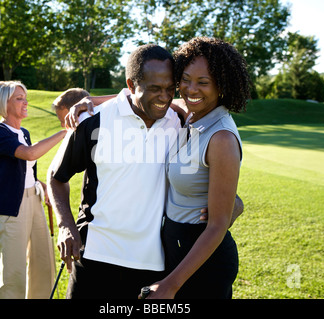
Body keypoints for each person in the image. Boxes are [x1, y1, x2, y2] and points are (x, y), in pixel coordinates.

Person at [47, 44, 244, 299]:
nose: (164, 97)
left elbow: (213, 175)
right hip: (94, 255)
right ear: (131, 85)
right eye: (154, 89)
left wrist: (235, 203)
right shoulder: (93, 121)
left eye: (169, 89)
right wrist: (65, 225)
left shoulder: (181, 121)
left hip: (154, 265)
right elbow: (56, 176)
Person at [143, 37, 251, 299]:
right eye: (186, 79)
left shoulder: (221, 137)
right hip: (175, 249)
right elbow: (141, 94)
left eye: (203, 82)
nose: (191, 89)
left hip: (203, 263)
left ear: (221, 85)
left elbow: (217, 226)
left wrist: (171, 284)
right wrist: (87, 100)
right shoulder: (192, 116)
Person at [0, 81, 67, 299]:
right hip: (11, 208)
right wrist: (64, 132)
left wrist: (41, 185)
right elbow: (30, 154)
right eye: (19, 98)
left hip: (34, 201)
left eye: (25, 97)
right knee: (14, 274)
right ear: (4, 103)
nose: (25, 102)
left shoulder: (25, 132)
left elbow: (25, 170)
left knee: (43, 263)